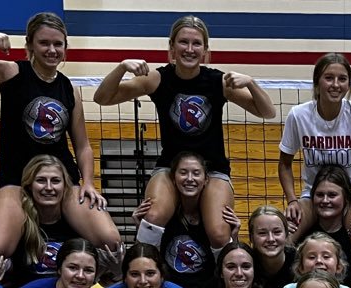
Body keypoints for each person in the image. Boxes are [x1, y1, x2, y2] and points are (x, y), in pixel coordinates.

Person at [0, 13, 121, 265]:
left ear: (66, 47)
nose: (52, 50)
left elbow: (83, 145)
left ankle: (99, 278)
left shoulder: (69, 89)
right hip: (16, 180)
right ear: (30, 45)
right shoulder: (11, 72)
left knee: (111, 242)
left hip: (62, 181)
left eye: (58, 44)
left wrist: (88, 182)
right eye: (44, 43)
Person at [93, 15, 277, 253]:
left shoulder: (217, 81)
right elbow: (101, 98)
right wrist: (121, 67)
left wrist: (251, 83)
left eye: (196, 43)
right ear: (172, 47)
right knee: (153, 216)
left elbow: (268, 112)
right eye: (183, 42)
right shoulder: (157, 79)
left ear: (205, 50)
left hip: (213, 169)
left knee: (219, 232)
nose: (190, 49)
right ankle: (144, 272)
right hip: (171, 167)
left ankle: (222, 283)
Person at [280, 52, 351, 237]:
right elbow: (284, 164)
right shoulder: (298, 115)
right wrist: (292, 200)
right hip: (314, 195)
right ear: (317, 82)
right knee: (289, 234)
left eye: (342, 79)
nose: (336, 85)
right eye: (329, 78)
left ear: (349, 84)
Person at [0, 155, 109, 288]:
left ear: (65, 186)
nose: (49, 187)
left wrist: (114, 271)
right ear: (29, 185)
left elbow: (103, 279)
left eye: (55, 181)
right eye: (41, 180)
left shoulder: (79, 225)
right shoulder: (19, 224)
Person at [132, 151, 238, 288]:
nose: (189, 178)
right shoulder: (164, 215)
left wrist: (234, 238)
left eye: (196, 173)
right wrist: (142, 229)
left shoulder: (214, 220)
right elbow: (145, 257)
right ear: (174, 179)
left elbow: (228, 263)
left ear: (206, 179)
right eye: (183, 173)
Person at [294, 164, 351, 285]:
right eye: (320, 195)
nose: (325, 201)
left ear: (346, 198)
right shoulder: (304, 232)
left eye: (332, 195)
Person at [250, 205, 298, 288]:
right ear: (251, 238)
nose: (271, 239)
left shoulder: (300, 262)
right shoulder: (245, 265)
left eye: (277, 232)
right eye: (262, 233)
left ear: (286, 235)